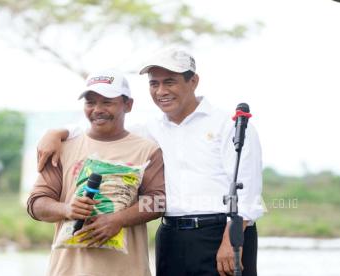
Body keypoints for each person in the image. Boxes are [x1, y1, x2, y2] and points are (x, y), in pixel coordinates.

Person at [37, 47, 264, 276]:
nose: (161, 91)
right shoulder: (150, 129)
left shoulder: (229, 125)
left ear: (193, 81)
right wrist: (56, 133)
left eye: (170, 82)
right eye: (154, 84)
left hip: (222, 234)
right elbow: (103, 128)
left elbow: (248, 191)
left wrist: (231, 243)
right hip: (171, 237)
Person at [27, 69, 165, 276]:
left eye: (107, 102)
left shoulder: (147, 150)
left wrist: (119, 219)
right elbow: (36, 203)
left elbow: (158, 202)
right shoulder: (62, 148)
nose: (97, 109)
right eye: (90, 102)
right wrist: (66, 209)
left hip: (128, 270)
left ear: (128, 105)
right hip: (68, 271)